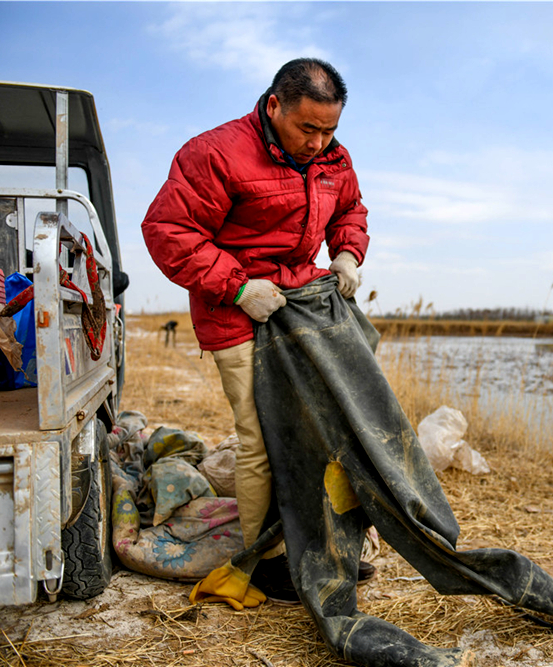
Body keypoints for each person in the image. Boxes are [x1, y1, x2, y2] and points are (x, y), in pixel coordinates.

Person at [142, 58, 375, 602]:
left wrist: (345, 252)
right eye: (307, 128)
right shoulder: (214, 153)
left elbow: (350, 209)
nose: (319, 142)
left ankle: (321, 546)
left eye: (330, 130)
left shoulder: (333, 157)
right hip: (234, 309)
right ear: (274, 106)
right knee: (263, 441)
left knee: (325, 430)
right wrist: (239, 287)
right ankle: (268, 559)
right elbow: (167, 230)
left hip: (301, 306)